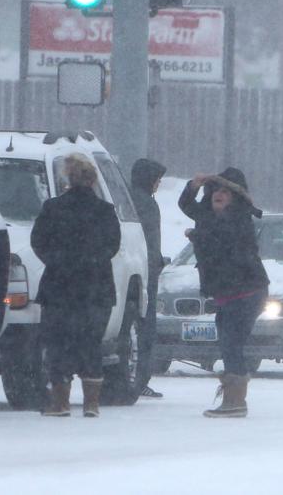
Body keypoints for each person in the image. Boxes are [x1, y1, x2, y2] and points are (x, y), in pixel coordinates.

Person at [31, 154, 121, 417]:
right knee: (91, 343)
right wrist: (92, 262)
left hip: (59, 287)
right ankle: (91, 404)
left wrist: (58, 261)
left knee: (58, 344)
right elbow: (112, 246)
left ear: (67, 180)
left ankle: (60, 403)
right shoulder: (105, 211)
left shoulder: (53, 208)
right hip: (97, 289)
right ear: (93, 181)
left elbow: (38, 241)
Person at [179, 167, 269, 418]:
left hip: (248, 291)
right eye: (216, 190)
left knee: (232, 344)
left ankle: (235, 401)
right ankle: (233, 398)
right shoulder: (206, 214)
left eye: (226, 192)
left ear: (235, 197)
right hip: (227, 292)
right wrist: (194, 185)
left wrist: (196, 235)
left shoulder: (240, 219)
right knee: (227, 343)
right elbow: (186, 204)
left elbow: (224, 243)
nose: (219, 195)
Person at [130, 157, 168, 399]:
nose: (158, 184)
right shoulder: (146, 205)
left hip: (136, 271)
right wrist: (156, 262)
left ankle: (138, 376)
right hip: (145, 274)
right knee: (145, 328)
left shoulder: (126, 198)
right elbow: (148, 241)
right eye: (157, 180)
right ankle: (140, 377)